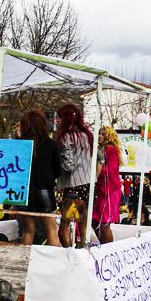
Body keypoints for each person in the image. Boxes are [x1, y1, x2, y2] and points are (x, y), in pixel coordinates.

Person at [19, 110, 61, 247]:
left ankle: (24, 264)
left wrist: (18, 138)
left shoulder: (21, 145)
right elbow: (57, 170)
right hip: (44, 189)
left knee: (28, 232)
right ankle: (54, 264)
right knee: (51, 232)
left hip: (24, 191)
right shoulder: (51, 144)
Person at [55, 104, 94, 247]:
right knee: (83, 223)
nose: (57, 121)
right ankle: (83, 250)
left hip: (73, 185)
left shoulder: (67, 137)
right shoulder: (87, 135)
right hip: (88, 184)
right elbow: (99, 157)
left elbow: (68, 166)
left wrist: (55, 166)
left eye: (59, 118)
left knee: (65, 224)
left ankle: (67, 254)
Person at [92, 126, 122, 244]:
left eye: (103, 134)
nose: (99, 136)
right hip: (102, 190)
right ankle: (104, 245)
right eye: (99, 133)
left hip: (110, 190)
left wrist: (95, 171)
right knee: (94, 221)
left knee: (105, 223)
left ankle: (108, 248)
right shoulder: (100, 150)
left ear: (108, 137)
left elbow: (111, 170)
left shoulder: (112, 150)